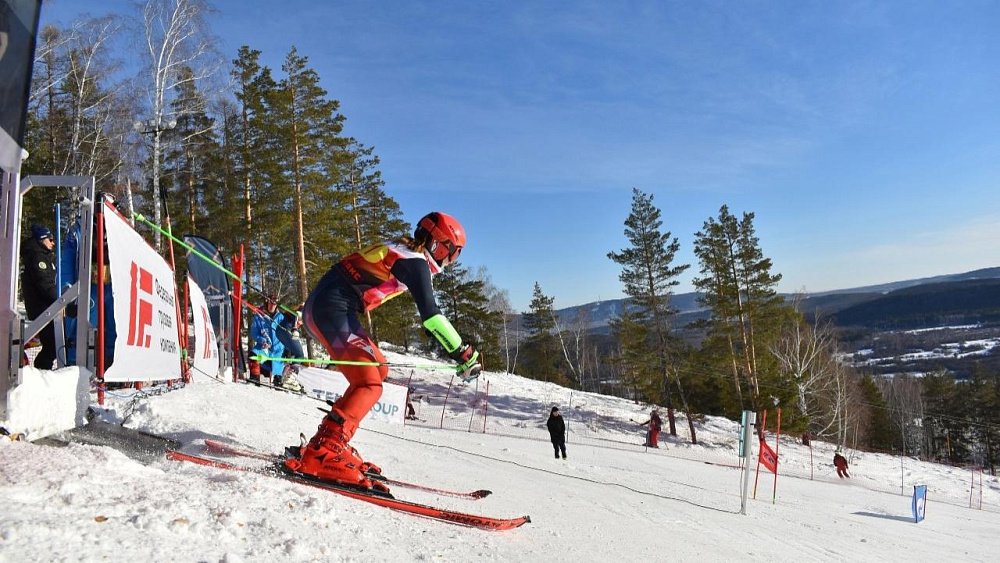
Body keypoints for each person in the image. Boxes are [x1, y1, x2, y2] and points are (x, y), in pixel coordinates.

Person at [284, 211, 481, 492]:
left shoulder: (403, 251)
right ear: (439, 244)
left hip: (330, 308)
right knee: (369, 384)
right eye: (453, 254)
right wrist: (462, 351)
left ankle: (327, 442)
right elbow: (431, 314)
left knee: (379, 369)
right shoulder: (414, 261)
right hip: (332, 309)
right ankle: (325, 452)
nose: (449, 262)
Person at [20, 224, 58, 369]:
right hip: (43, 308)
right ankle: (41, 372)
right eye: (50, 239)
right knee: (52, 346)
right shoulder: (37, 257)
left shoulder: (42, 256)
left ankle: (41, 371)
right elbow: (45, 285)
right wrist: (61, 301)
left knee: (53, 345)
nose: (53, 242)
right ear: (42, 239)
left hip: (46, 307)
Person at [249, 296, 285, 387]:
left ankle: (279, 381)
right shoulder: (259, 316)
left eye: (274, 303)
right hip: (264, 348)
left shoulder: (281, 317)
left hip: (278, 350)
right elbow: (254, 332)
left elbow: (287, 334)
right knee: (253, 355)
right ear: (266, 302)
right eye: (270, 302)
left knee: (279, 368)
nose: (272, 305)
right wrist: (262, 340)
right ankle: (255, 378)